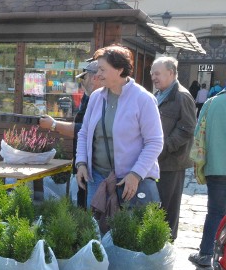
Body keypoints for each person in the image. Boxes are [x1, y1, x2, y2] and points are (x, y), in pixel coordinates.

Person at [75, 44, 163, 208]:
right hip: (97, 179)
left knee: (126, 232)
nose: (97, 75)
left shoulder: (143, 99)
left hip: (128, 181)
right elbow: (84, 133)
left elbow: (154, 142)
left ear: (119, 69)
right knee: (97, 230)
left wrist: (136, 174)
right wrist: (81, 163)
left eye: (102, 70)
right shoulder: (96, 97)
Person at [39, 59, 102, 208]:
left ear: (94, 77)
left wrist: (54, 125)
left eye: (84, 77)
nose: (82, 82)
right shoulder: (89, 97)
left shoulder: (101, 100)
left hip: (94, 166)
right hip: (83, 164)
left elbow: (84, 130)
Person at [151, 56, 196, 240]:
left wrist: (166, 146)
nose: (153, 77)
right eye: (152, 73)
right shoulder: (157, 95)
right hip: (156, 161)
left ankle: (167, 243)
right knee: (156, 204)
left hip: (171, 162)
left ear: (171, 73)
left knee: (168, 208)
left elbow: (187, 128)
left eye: (157, 73)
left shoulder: (182, 96)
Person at [189, 87, 226, 267]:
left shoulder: (212, 104)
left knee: (215, 213)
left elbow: (198, 136)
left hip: (217, 167)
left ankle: (206, 254)